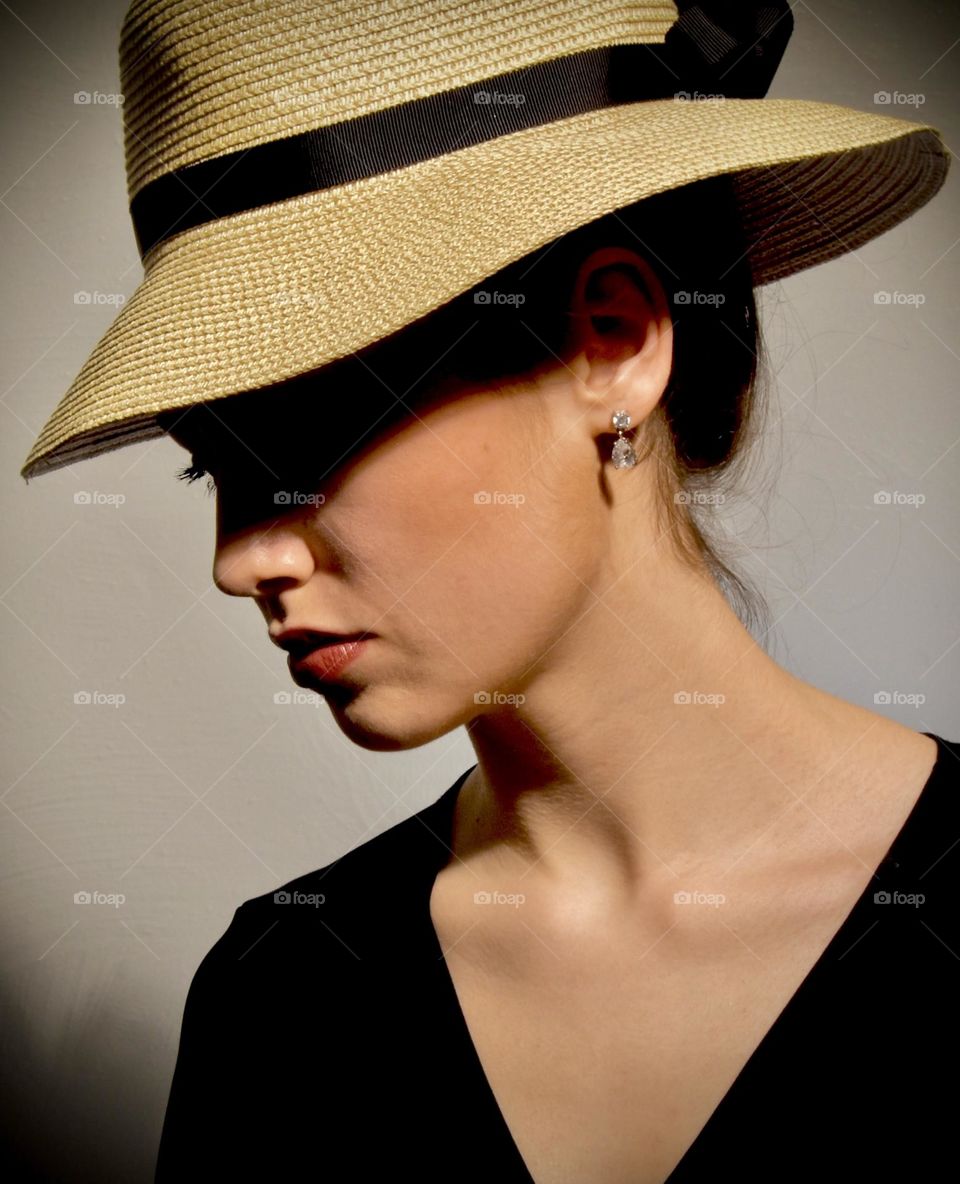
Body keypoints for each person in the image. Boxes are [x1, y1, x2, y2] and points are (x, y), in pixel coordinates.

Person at [18, 1, 957, 1181]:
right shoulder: (285, 1002)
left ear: (610, 344)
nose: (238, 558)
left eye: (304, 432)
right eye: (215, 460)